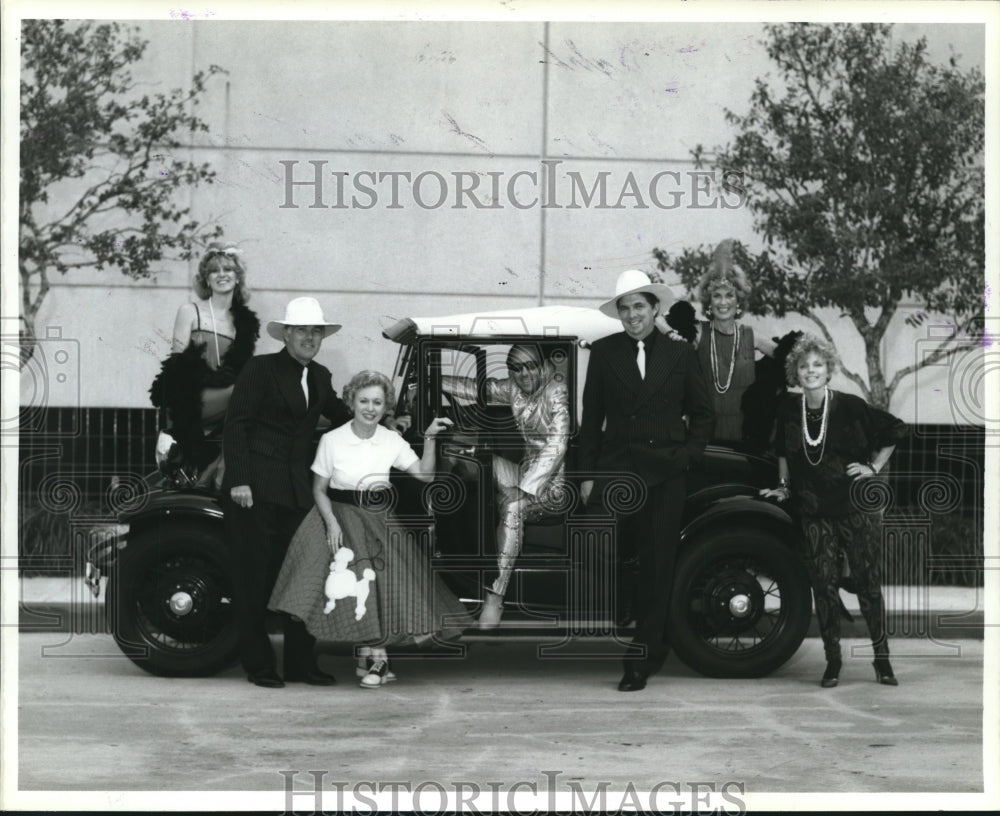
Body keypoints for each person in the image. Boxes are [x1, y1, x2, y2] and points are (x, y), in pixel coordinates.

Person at [269, 370, 471, 688]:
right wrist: (331, 523)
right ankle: (373, 660)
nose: (370, 408)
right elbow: (319, 489)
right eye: (363, 401)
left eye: (377, 402)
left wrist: (430, 438)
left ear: (385, 406)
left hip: (377, 519)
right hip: (338, 517)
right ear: (351, 402)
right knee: (334, 589)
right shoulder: (332, 440)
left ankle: (374, 659)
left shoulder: (391, 440)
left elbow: (425, 475)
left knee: (380, 589)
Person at [578, 269, 714, 692]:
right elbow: (590, 419)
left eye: (639, 306)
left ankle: (642, 657)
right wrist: (587, 475)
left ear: (655, 309)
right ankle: (627, 608)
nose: (632, 314)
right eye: (625, 308)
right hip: (616, 472)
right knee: (596, 546)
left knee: (657, 566)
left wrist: (687, 456)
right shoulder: (604, 352)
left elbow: (704, 413)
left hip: (664, 473)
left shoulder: (680, 354)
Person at [760, 334, 908, 688]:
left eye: (818, 365)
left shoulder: (850, 406)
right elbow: (783, 452)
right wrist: (783, 486)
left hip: (853, 509)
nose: (810, 371)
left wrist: (873, 467)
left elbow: (895, 429)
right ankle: (833, 661)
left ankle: (882, 660)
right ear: (795, 372)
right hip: (814, 512)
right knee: (823, 586)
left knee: (868, 586)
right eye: (804, 366)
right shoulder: (788, 409)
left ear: (828, 370)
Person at [221, 296, 354, 689]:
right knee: (254, 580)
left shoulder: (321, 376)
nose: (310, 338)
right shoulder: (260, 369)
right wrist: (240, 480)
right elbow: (236, 425)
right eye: (302, 331)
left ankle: (300, 664)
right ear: (287, 334)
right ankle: (259, 665)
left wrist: (384, 422)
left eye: (316, 332)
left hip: (297, 494)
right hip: (255, 492)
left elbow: (342, 417)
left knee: (303, 578)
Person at [441, 343, 571, 628]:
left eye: (530, 366)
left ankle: (494, 598)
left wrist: (523, 490)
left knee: (513, 508)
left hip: (554, 487)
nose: (523, 374)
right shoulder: (515, 387)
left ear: (543, 365)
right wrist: (433, 379)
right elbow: (478, 388)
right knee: (472, 457)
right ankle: (457, 549)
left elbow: (557, 445)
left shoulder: (557, 391)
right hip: (523, 472)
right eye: (516, 368)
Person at [150, 242, 259, 487]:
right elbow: (177, 364)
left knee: (255, 396)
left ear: (238, 277)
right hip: (191, 400)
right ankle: (219, 471)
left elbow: (241, 369)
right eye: (214, 270)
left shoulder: (243, 324)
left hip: (229, 401)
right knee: (248, 391)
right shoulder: (190, 311)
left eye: (228, 269)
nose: (221, 274)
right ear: (206, 279)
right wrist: (212, 379)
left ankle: (217, 467)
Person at [694, 239, 776, 443]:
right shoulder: (698, 333)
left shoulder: (751, 335)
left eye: (729, 295)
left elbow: (789, 357)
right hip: (704, 438)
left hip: (744, 437)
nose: (723, 302)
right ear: (709, 302)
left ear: (738, 301)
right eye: (717, 296)